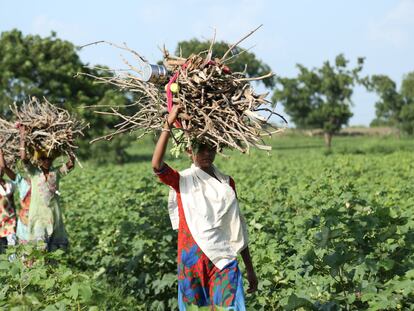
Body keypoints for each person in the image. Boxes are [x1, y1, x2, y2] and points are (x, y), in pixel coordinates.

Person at [152, 105, 258, 310]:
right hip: (192, 261)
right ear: (189, 150)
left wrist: (250, 269)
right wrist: (168, 124)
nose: (207, 154)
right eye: (201, 148)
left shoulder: (227, 183)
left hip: (223, 259)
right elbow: (157, 165)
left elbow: (237, 227)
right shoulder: (181, 180)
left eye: (212, 148)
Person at [18, 124, 75, 251]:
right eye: (43, 158)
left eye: (49, 158)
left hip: (54, 216)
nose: (47, 161)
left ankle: (51, 271)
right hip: (38, 216)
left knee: (54, 253)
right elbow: (24, 159)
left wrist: (70, 143)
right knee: (40, 249)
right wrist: (22, 138)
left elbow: (71, 164)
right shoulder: (34, 173)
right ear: (39, 160)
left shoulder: (56, 173)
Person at [0, 150, 17, 253]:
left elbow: (13, 202)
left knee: (12, 248)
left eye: (1, 168)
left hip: (10, 221)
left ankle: (13, 265)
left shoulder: (9, 184)